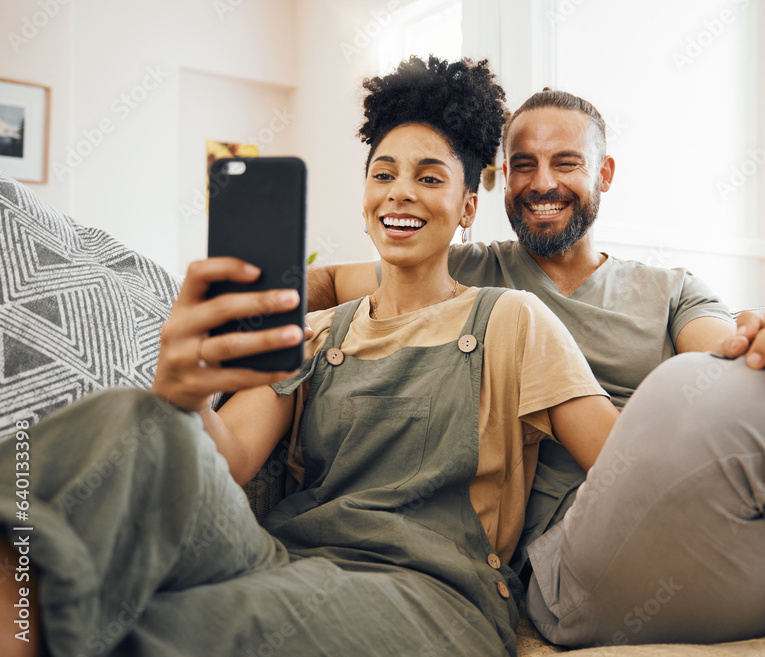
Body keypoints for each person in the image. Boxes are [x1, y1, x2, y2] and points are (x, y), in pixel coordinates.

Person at [307, 90, 765, 655]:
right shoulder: (464, 272)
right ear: (496, 181)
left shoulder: (671, 287)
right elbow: (318, 284)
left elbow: (735, 360)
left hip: (717, 527)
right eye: (522, 164)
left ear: (603, 175)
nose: (542, 182)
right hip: (576, 560)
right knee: (677, 397)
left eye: (565, 162)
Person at [0, 56, 620, 657]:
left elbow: (620, 464)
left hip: (431, 593)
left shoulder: (512, 319)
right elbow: (229, 457)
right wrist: (181, 396)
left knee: (180, 624)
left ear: (465, 206)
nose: (400, 194)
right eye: (383, 174)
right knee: (133, 418)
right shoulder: (317, 332)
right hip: (282, 555)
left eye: (429, 177)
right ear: (365, 197)